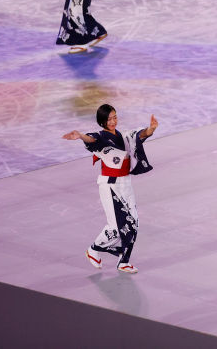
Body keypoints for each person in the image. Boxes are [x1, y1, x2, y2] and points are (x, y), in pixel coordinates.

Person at [62, 104, 158, 274]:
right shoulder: (100, 137)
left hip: (125, 183)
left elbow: (139, 136)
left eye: (114, 117)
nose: (113, 121)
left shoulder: (123, 136)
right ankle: (93, 249)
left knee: (133, 222)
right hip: (110, 185)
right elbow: (92, 140)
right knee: (115, 226)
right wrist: (80, 136)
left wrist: (150, 129)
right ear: (102, 122)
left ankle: (123, 262)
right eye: (109, 119)